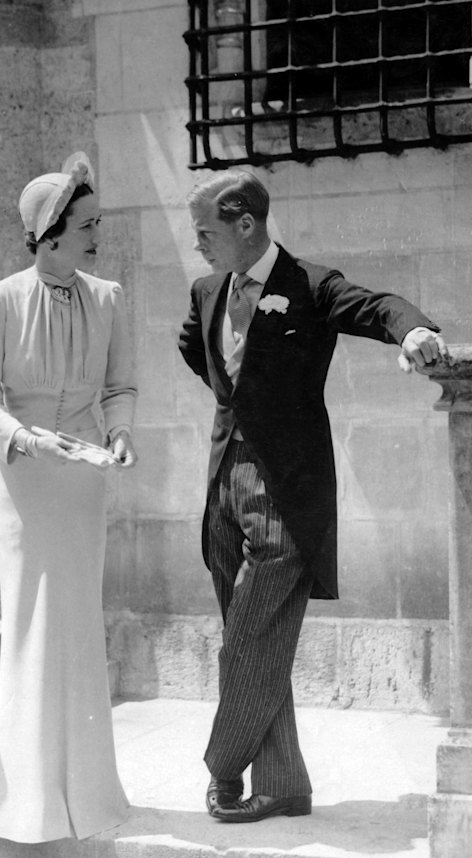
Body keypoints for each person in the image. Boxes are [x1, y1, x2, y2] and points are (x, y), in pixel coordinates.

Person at [178, 169, 447, 824]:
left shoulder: (309, 285)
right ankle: (283, 784)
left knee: (249, 639)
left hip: (284, 494)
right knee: (258, 642)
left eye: (206, 233)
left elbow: (379, 306)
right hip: (221, 483)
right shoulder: (206, 287)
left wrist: (414, 333)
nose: (199, 246)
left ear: (246, 226)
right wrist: (239, 403)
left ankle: (221, 764)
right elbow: (195, 349)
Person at [0, 152, 137, 843]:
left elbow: (120, 387)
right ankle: (31, 803)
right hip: (28, 480)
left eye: (97, 222)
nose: (98, 234)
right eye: (87, 223)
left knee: (77, 624)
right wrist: (28, 442)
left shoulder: (110, 296)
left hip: (85, 477)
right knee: (34, 627)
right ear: (52, 229)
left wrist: (120, 434)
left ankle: (90, 798)